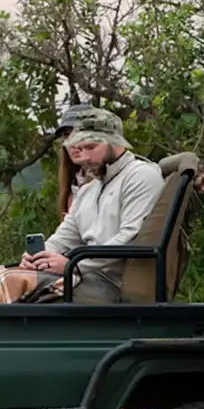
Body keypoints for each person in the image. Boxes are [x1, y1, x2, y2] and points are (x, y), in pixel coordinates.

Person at [18, 108, 165, 304]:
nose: (84, 157)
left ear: (115, 142)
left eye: (91, 147)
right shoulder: (89, 190)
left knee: (13, 285)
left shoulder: (141, 176)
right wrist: (38, 257)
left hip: (113, 284)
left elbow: (131, 238)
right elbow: (64, 237)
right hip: (85, 276)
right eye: (80, 148)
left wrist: (74, 265)